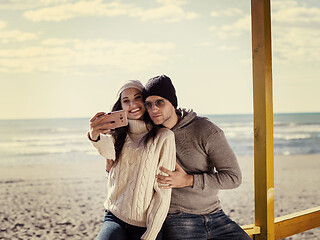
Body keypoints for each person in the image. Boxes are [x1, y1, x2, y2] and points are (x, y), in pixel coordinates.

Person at [142, 75, 252, 240]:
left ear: (173, 102)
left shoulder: (206, 131)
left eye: (160, 102)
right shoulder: (148, 134)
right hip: (177, 217)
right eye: (148, 104)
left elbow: (233, 178)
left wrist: (188, 180)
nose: (153, 109)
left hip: (215, 215)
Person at [88, 80, 176, 240]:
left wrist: (150, 234)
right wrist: (94, 135)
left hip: (146, 226)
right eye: (126, 101)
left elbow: (163, 193)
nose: (132, 104)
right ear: (120, 106)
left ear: (146, 101)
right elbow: (103, 146)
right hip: (114, 216)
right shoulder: (118, 135)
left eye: (137, 98)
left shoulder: (164, 137)